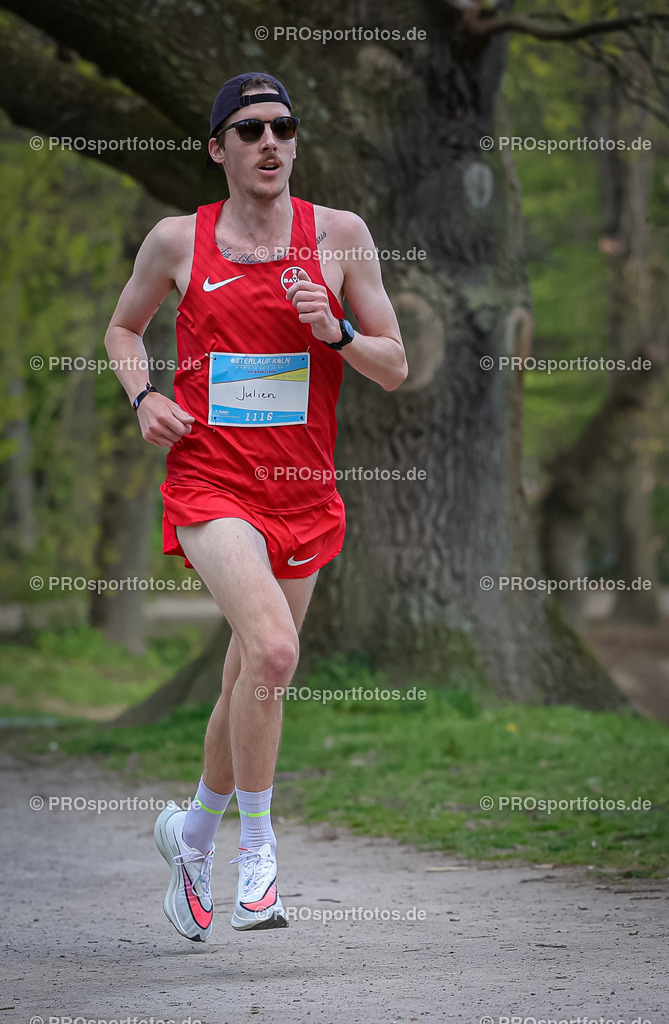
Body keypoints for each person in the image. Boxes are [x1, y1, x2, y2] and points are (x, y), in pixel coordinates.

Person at [105, 71, 407, 942]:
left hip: (302, 492)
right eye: (248, 130)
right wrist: (141, 398)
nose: (269, 142)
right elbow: (123, 329)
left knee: (250, 672)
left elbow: (395, 365)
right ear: (218, 149)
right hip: (211, 481)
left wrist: (337, 333)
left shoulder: (340, 237)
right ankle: (258, 855)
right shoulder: (177, 240)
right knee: (276, 649)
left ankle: (192, 833)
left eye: (282, 127)